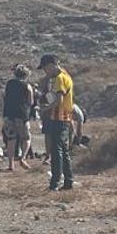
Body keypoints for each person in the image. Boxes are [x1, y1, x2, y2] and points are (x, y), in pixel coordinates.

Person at [38, 54, 75, 191]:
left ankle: (55, 182)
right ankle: (68, 181)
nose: (45, 72)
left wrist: (45, 109)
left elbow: (58, 100)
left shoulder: (59, 79)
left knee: (56, 150)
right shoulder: (66, 75)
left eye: (45, 68)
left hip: (58, 117)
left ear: (51, 65)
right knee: (64, 151)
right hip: (65, 118)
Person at [1, 65, 36, 171]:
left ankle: (11, 164)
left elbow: (4, 96)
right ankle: (23, 158)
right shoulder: (27, 85)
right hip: (22, 115)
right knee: (26, 138)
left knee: (11, 139)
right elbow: (31, 101)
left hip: (9, 114)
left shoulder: (9, 84)